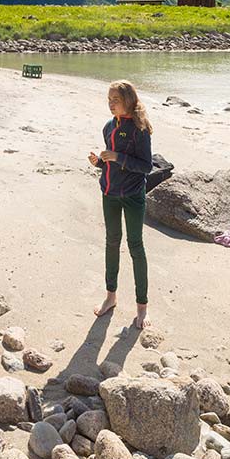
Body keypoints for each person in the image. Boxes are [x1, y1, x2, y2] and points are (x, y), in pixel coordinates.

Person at [88, 80, 153, 330]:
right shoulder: (108, 126)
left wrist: (118, 157)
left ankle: (142, 307)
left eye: (115, 99)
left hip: (134, 195)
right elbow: (110, 163)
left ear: (129, 100)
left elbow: (146, 166)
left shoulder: (140, 128)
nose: (110, 103)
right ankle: (110, 297)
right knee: (111, 242)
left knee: (135, 246)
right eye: (109, 99)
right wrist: (100, 163)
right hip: (109, 192)